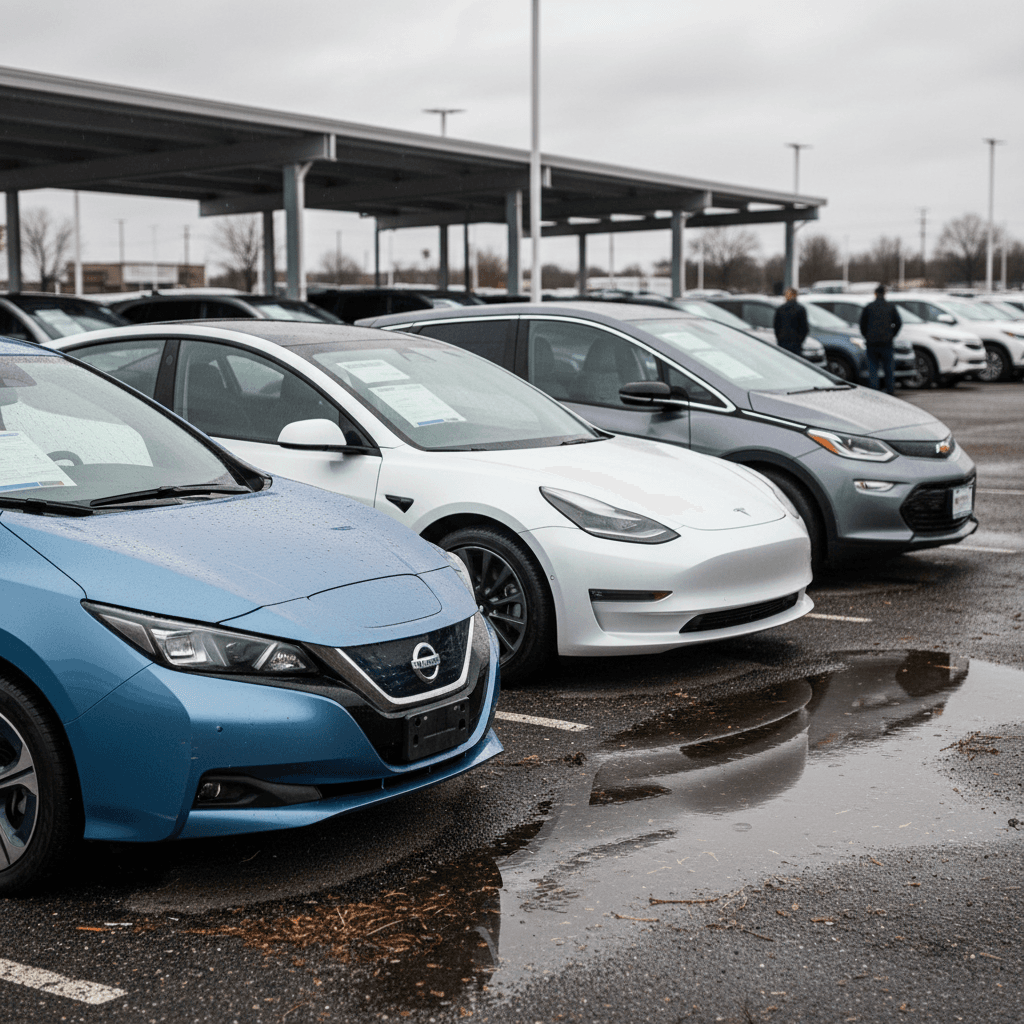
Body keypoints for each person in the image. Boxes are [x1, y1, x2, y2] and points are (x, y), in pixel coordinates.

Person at [858, 284, 902, 395]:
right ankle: (890, 390)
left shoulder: (869, 307)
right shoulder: (890, 307)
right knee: (889, 369)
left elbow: (862, 324)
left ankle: (874, 391)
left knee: (873, 369)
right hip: (887, 342)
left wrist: (867, 335)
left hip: (872, 343)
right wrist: (892, 334)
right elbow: (898, 323)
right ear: (885, 293)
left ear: (875, 294)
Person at [773, 287, 809, 355]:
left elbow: (777, 327)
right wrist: (799, 341)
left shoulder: (781, 309)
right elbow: (804, 328)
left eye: (787, 294)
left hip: (784, 342)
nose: (786, 296)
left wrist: (780, 339)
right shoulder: (800, 309)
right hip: (795, 344)